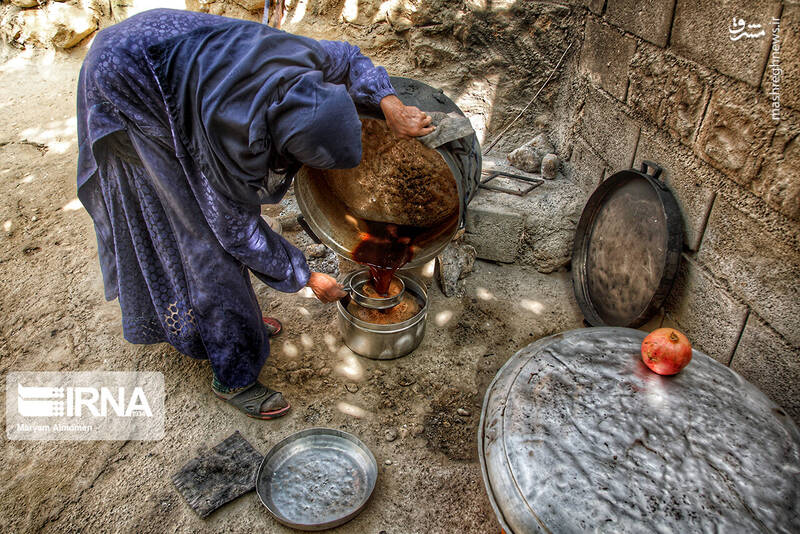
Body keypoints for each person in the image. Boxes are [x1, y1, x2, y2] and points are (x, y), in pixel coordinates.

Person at [76, 8, 434, 419]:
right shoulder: (225, 139)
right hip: (133, 82)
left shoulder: (300, 62)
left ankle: (237, 325)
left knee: (213, 231)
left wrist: (387, 102)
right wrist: (305, 276)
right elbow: (236, 231)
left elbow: (349, 58)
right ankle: (233, 375)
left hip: (166, 43)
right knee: (205, 244)